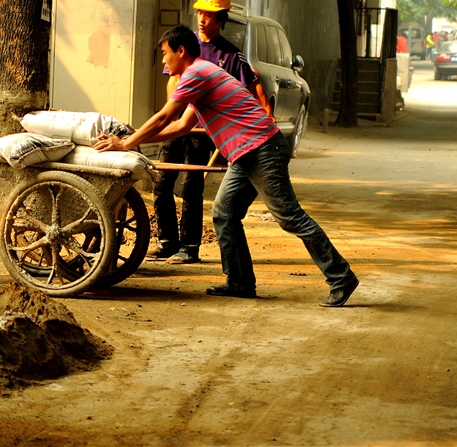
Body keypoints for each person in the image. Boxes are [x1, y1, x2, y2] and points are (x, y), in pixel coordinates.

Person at [94, 25, 359, 307]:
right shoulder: (202, 73)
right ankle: (239, 281)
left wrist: (126, 144)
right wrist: (134, 138)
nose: (162, 61)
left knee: (289, 216)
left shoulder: (195, 73)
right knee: (224, 212)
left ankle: (341, 276)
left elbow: (164, 117)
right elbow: (182, 125)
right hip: (246, 153)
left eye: (164, 54)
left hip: (261, 149)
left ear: (180, 51)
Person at [150, 0, 273, 265]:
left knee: (191, 187)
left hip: (202, 130)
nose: (203, 19)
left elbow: (253, 87)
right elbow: (173, 80)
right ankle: (166, 241)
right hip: (179, 123)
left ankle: (189, 246)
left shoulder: (230, 55)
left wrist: (265, 115)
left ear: (221, 19)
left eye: (210, 15)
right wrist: (175, 114)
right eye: (200, 14)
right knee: (162, 181)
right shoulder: (184, 44)